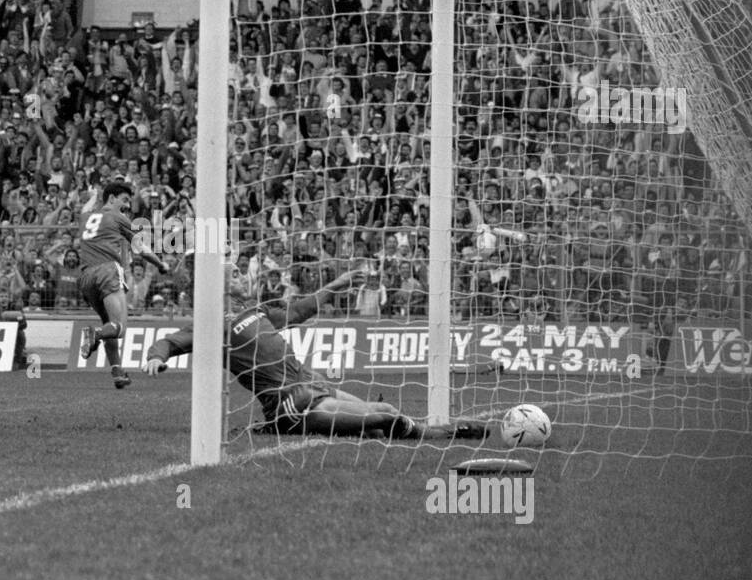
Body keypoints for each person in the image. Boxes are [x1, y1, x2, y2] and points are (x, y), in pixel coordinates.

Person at [141, 265, 491, 442]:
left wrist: (336, 284)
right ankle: (449, 432)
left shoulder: (255, 312)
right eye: (233, 272)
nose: (240, 275)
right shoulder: (210, 325)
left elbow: (299, 312)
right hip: (290, 403)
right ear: (217, 284)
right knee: (383, 420)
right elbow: (172, 341)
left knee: (383, 410)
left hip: (312, 382)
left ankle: (436, 429)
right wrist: (157, 356)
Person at [76, 179, 171, 389]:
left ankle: (117, 372)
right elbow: (141, 248)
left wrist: (93, 195)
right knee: (119, 329)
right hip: (107, 271)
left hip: (85, 278)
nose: (128, 205)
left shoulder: (85, 217)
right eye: (125, 200)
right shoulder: (117, 217)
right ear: (111, 198)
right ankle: (95, 334)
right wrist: (161, 264)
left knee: (109, 324)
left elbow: (85, 207)